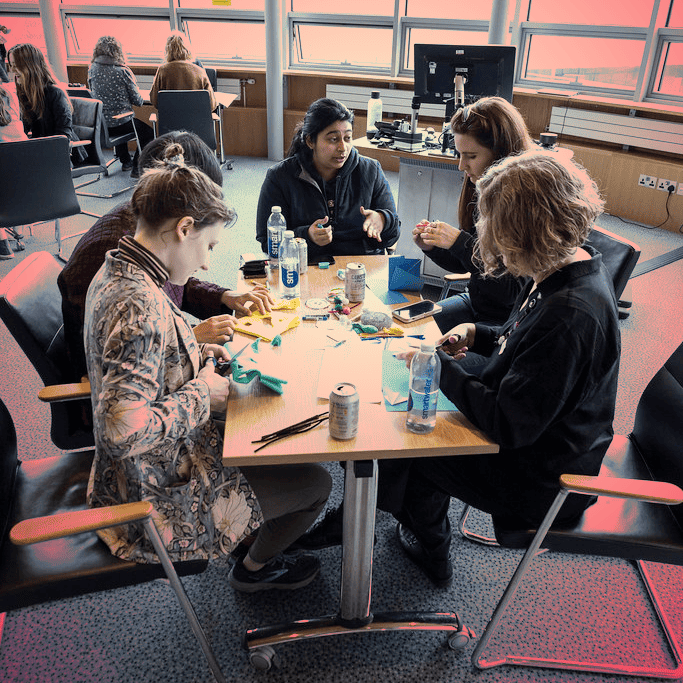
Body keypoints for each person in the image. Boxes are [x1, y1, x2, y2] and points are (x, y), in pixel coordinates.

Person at [84, 142, 332, 591]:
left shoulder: (120, 269)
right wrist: (203, 393)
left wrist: (196, 358)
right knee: (315, 481)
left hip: (149, 468)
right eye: (209, 245)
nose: (205, 260)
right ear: (183, 228)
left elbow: (146, 367)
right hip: (152, 501)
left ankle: (252, 531)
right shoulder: (138, 306)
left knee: (274, 422)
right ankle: (254, 570)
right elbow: (120, 434)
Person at [387, 151, 621, 587]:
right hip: (549, 437)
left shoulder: (570, 317)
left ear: (524, 233)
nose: (486, 238)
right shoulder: (568, 267)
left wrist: (437, 364)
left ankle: (431, 548)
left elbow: (506, 423)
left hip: (545, 480)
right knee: (415, 425)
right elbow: (524, 340)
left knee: (408, 447)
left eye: (492, 226)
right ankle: (407, 515)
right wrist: (480, 332)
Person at [58, 130, 273, 383]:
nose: (206, 265)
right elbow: (121, 370)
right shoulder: (129, 294)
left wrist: (220, 299)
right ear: (184, 222)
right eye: (209, 246)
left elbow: (172, 284)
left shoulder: (142, 245)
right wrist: (198, 373)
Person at [414, 96, 533, 336]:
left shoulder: (523, 204)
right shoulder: (483, 187)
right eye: (459, 154)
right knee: (410, 328)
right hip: (476, 303)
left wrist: (460, 243)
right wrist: (433, 247)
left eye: (471, 156)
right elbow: (471, 266)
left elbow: (509, 291)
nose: (461, 166)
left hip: (505, 321)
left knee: (432, 359)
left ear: (501, 154)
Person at [256, 97, 400, 259]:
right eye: (333, 139)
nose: (342, 148)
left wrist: (383, 220)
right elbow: (267, 241)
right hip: (306, 266)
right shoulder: (280, 176)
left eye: (347, 138)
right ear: (310, 141)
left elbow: (393, 235)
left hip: (359, 267)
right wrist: (306, 236)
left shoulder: (371, 170)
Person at [7, 43, 86, 163]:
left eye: (15, 65)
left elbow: (63, 136)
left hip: (62, 154)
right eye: (11, 65)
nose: (12, 70)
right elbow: (24, 127)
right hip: (42, 149)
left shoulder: (55, 93)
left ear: (30, 66)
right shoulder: (25, 92)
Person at [87, 35, 154, 176]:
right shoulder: (123, 71)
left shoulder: (92, 69)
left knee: (116, 117)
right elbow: (138, 101)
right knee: (148, 133)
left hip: (100, 124)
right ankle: (137, 166)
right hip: (120, 123)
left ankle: (126, 161)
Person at [149, 31, 216, 111]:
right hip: (195, 122)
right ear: (188, 49)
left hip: (170, 121)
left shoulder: (162, 71)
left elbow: (154, 101)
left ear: (168, 50)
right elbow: (212, 105)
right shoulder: (200, 72)